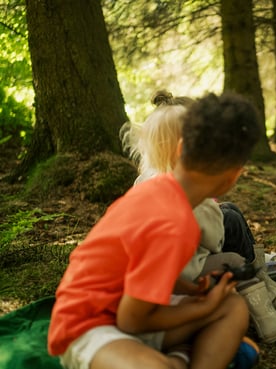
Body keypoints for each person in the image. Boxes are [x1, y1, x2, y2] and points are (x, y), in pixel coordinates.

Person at [48, 92, 262, 369]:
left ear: (179, 148)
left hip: (132, 310)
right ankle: (181, 356)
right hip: (88, 326)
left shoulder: (155, 192)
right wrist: (202, 308)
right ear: (234, 175)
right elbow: (131, 320)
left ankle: (181, 354)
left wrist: (188, 289)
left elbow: (141, 268)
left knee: (233, 306)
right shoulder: (173, 224)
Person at [121, 90, 276, 344]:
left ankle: (263, 283)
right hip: (184, 269)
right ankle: (262, 308)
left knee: (230, 211)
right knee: (231, 243)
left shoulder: (150, 178)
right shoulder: (183, 193)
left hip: (173, 268)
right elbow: (213, 240)